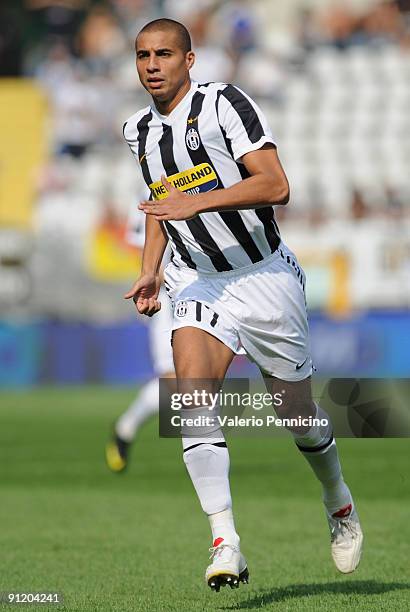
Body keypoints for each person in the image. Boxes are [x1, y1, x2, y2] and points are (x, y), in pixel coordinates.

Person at [123, 18, 363, 591]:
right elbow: (162, 205)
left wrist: (197, 204)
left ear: (189, 59)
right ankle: (224, 538)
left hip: (264, 277)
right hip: (198, 281)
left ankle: (339, 503)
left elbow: (276, 185)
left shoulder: (225, 104)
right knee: (190, 397)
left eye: (164, 54)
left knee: (297, 415)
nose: (152, 64)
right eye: (142, 56)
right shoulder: (137, 130)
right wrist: (151, 269)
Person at [106, 200, 174, 472]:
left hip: (209, 292)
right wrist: (151, 285)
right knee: (176, 379)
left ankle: (126, 426)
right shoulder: (153, 194)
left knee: (196, 381)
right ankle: (126, 427)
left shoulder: (206, 179)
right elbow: (143, 244)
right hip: (169, 297)